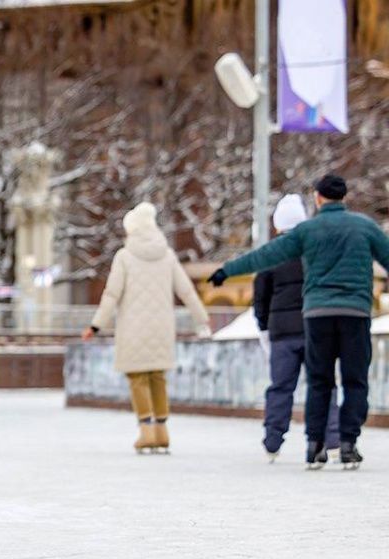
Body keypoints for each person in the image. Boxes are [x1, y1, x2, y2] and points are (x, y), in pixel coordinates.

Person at [210, 174, 389, 469]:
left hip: (317, 314)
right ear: (344, 198)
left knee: (320, 381)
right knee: (355, 380)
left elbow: (266, 256)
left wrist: (227, 270)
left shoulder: (307, 231)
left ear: (318, 199)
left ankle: (315, 445)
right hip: (354, 313)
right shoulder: (365, 227)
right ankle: (347, 443)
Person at [82, 202, 211, 453]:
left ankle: (146, 431)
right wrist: (201, 318)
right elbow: (185, 289)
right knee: (157, 376)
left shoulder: (125, 257)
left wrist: (95, 326)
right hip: (162, 327)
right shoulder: (167, 255)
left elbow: (111, 294)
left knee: (138, 378)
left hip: (133, 329)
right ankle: (162, 432)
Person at [252, 194, 340, 462]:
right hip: (314, 329)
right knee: (323, 384)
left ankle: (273, 441)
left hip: (281, 334)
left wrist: (265, 326)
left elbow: (260, 298)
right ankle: (332, 438)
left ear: (278, 226)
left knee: (280, 386)